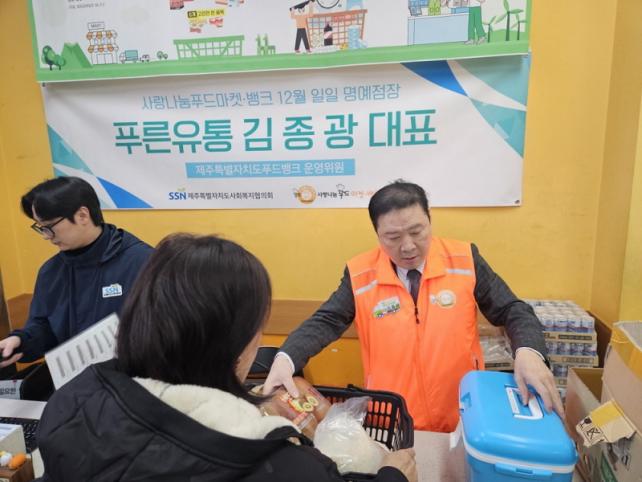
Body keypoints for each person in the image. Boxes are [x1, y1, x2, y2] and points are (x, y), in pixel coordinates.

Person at [35, 234, 417, 482]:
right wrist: (393, 477)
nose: (406, 244)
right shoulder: (278, 464)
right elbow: (328, 318)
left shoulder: (70, 405)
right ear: (236, 342)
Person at [264, 180, 562, 433]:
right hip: (391, 420)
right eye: (392, 237)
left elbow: (513, 310)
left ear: (430, 221)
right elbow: (326, 320)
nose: (407, 246)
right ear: (377, 234)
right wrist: (286, 358)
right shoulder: (360, 274)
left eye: (417, 231)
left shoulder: (464, 259)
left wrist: (529, 351)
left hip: (463, 414)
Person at [0, 177, 152, 367]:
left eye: (49, 227)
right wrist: (21, 341)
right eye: (40, 228)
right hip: (75, 378)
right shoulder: (50, 272)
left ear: (82, 216)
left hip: (133, 376)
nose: (46, 236)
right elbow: (45, 328)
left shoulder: (144, 262)